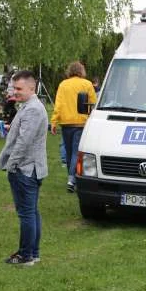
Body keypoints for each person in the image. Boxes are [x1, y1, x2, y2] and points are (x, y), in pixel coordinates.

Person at [0, 70, 47, 265]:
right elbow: (25, 134)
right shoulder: (29, 106)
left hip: (25, 170)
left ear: (31, 88)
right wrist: (11, 129)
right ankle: (32, 253)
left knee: (27, 213)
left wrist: (11, 165)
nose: (15, 92)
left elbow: (24, 142)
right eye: (14, 88)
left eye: (19, 88)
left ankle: (26, 255)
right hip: (28, 168)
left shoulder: (33, 108)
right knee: (31, 212)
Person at [50, 61, 96, 193]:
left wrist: (54, 121)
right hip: (81, 123)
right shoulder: (87, 84)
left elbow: (58, 105)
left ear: (69, 71)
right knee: (77, 151)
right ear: (82, 71)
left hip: (66, 123)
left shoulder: (63, 84)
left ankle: (71, 179)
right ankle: (72, 179)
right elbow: (93, 103)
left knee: (69, 152)